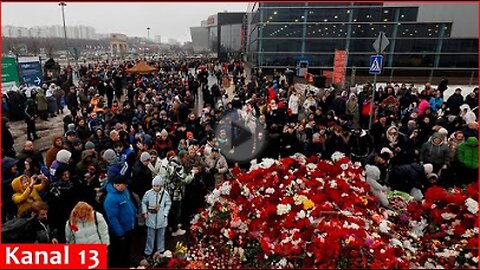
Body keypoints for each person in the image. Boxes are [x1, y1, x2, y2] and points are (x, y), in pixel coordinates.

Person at [103, 175, 136, 268]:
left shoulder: (124, 191)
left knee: (127, 249)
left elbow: (129, 203)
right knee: (119, 252)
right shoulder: (110, 199)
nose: (126, 186)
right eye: (124, 184)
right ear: (117, 185)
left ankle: (127, 263)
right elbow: (112, 218)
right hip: (121, 232)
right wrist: (120, 233)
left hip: (130, 227)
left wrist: (134, 212)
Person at [141, 176, 172, 258]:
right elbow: (144, 202)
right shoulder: (148, 193)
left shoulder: (165, 194)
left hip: (162, 219)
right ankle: (148, 251)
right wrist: (144, 212)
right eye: (154, 186)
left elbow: (168, 204)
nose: (155, 187)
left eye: (157, 186)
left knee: (161, 235)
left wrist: (165, 214)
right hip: (151, 218)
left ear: (161, 186)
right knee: (150, 236)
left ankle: (160, 250)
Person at [2, 157, 20, 222]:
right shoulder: (2, 182)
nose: (16, 167)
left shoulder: (16, 174)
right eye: (13, 166)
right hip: (7, 203)